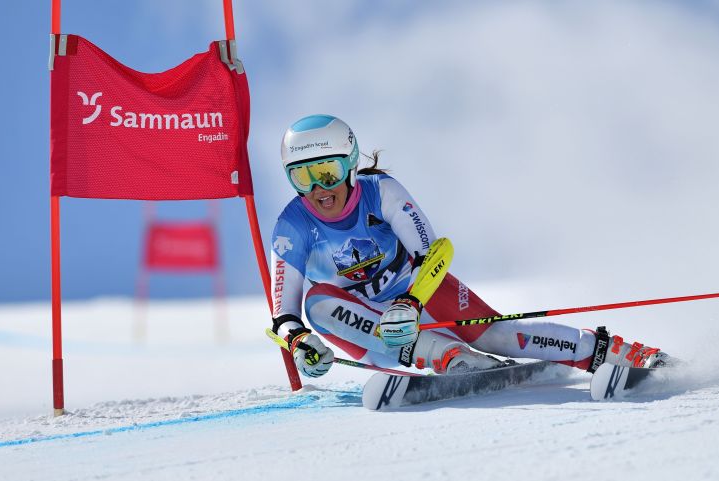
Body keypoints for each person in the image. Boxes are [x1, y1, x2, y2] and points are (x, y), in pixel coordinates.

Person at [270, 114, 670, 378]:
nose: (319, 189)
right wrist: (299, 342)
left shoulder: (382, 192)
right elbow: (282, 316)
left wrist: (410, 302)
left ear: (351, 164)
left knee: (498, 335)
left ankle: (619, 354)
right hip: (371, 333)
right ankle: (454, 360)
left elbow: (436, 252)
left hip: (418, 293)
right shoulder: (293, 225)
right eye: (303, 178)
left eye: (327, 172)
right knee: (317, 304)